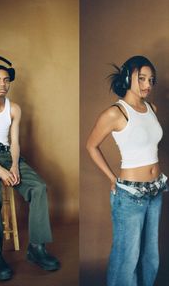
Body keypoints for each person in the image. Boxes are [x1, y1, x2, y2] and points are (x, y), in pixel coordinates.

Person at [0, 56, 60, 281]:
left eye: (6, 80)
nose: (2, 84)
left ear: (10, 83)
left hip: (8, 155)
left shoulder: (14, 109)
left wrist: (15, 165)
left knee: (38, 187)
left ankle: (36, 248)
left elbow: (15, 142)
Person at [86, 55, 168, 286]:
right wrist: (112, 178)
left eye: (151, 80)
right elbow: (91, 145)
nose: (147, 85)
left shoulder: (152, 108)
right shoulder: (115, 113)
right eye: (141, 78)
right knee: (126, 257)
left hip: (156, 189)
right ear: (126, 77)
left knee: (151, 253)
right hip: (130, 195)